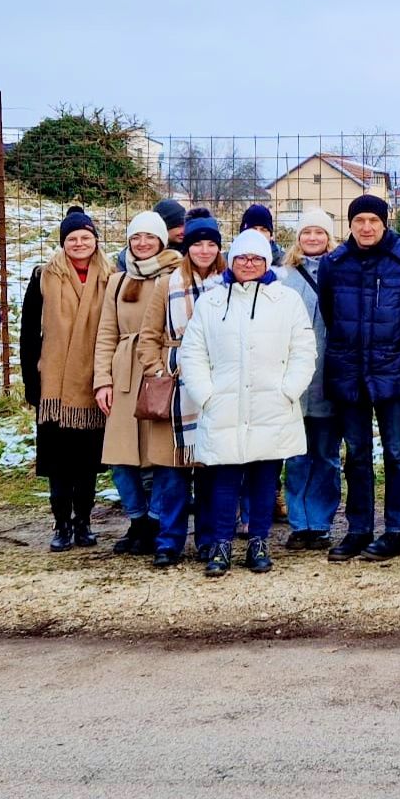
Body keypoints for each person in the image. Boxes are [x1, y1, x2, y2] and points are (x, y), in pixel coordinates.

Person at [178, 229, 316, 577]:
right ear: (232, 261)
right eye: (242, 258)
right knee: (225, 477)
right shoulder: (211, 301)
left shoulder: (285, 300)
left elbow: (303, 349)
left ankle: (258, 542)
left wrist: (289, 389)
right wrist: (205, 393)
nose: (249, 264)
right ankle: (221, 544)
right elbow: (193, 351)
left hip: (272, 403)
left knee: (264, 476)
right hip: (224, 403)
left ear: (266, 262)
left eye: (256, 258)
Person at [319, 193, 400, 562]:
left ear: (385, 223)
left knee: (398, 454)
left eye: (373, 221)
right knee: (357, 455)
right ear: (349, 225)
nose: (366, 228)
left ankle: (396, 530)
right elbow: (330, 313)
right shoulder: (334, 265)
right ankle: (359, 529)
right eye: (359, 221)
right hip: (349, 372)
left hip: (394, 371)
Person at [92, 210, 184, 560]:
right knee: (121, 457)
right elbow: (105, 333)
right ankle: (137, 519)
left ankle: (157, 520)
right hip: (123, 374)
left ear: (162, 240)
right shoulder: (118, 280)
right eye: (136, 238)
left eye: (149, 237)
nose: (142, 243)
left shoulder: (176, 275)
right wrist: (103, 380)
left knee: (157, 455)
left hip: (160, 371)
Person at [20, 207, 113, 553]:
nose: (79, 243)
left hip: (93, 381)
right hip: (54, 385)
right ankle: (61, 522)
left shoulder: (110, 275)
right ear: (63, 243)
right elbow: (29, 332)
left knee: (87, 460)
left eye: (85, 237)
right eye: (72, 238)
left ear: (95, 241)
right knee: (59, 461)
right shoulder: (43, 276)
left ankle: (84, 521)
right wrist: (32, 379)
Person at [279, 208, 340, 550]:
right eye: (307, 233)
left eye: (319, 232)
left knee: (327, 454)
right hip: (293, 382)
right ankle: (299, 522)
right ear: (298, 238)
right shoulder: (283, 277)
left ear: (329, 237)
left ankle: (321, 522)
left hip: (329, 379)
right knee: (297, 455)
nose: (313, 238)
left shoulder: (341, 272)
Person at [167, 208, 224, 558]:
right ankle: (169, 541)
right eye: (197, 244)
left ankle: (207, 538)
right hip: (177, 381)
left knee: (211, 470)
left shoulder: (229, 282)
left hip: (218, 379)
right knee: (174, 470)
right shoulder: (169, 282)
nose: (204, 250)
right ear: (187, 247)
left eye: (210, 244)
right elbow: (150, 332)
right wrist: (159, 367)